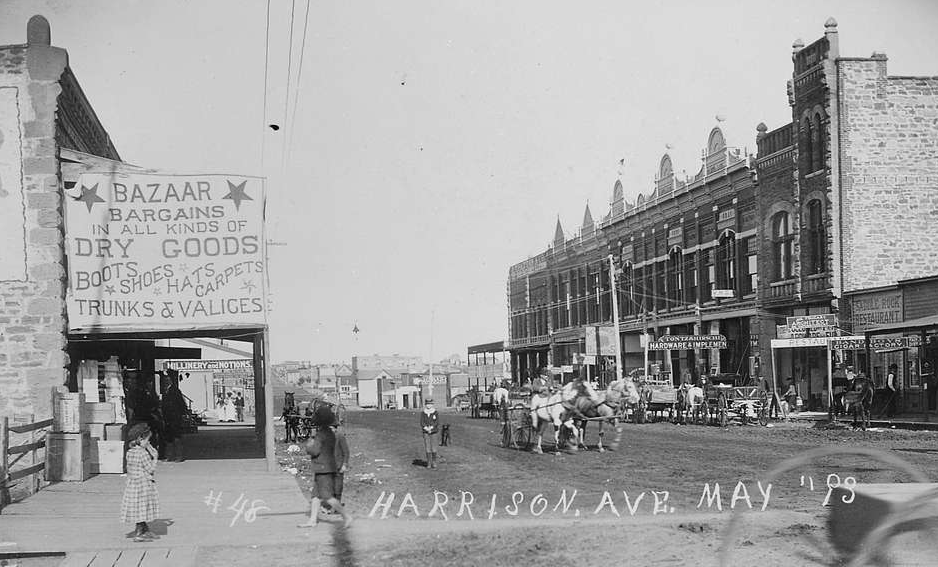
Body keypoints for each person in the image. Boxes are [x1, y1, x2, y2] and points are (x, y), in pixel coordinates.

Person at [298, 405, 352, 528]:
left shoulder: (321, 434)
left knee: (327, 497)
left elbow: (315, 451)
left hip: (323, 469)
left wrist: (309, 445)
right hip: (325, 468)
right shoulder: (331, 434)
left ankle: (346, 516)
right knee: (315, 497)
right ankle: (312, 520)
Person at [120, 423, 160, 542]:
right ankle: (139, 533)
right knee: (143, 508)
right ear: (141, 439)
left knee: (138, 508)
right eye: (147, 440)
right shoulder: (143, 453)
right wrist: (155, 457)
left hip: (133, 484)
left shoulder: (130, 452)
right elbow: (150, 470)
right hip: (143, 485)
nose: (148, 443)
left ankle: (145, 530)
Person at [160, 372, 188, 462]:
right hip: (168, 417)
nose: (165, 382)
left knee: (176, 437)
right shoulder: (166, 391)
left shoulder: (175, 391)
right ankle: (169, 456)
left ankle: (179, 456)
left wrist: (181, 414)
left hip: (174, 417)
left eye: (167, 380)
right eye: (164, 380)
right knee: (169, 437)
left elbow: (181, 403)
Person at [420, 398, 441, 469]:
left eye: (430, 404)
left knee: (434, 447)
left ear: (432, 404)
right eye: (427, 404)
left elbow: (437, 422)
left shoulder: (435, 412)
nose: (428, 405)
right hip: (426, 432)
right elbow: (422, 422)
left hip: (434, 431)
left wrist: (431, 428)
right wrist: (426, 428)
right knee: (427, 447)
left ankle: (434, 462)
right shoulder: (423, 413)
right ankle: (429, 462)